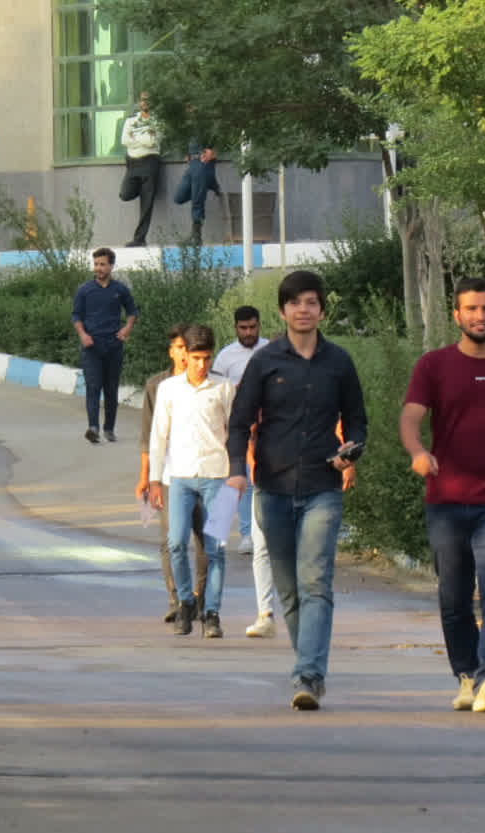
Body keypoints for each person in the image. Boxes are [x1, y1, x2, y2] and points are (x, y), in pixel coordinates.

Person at [228, 269, 368, 710]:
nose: (303, 310)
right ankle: (306, 661)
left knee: (316, 583)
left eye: (311, 302)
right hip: (272, 487)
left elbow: (358, 420)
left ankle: (308, 674)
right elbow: (239, 422)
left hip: (323, 485)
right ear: (283, 310)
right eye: (295, 302)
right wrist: (237, 469)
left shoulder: (339, 362)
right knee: (288, 589)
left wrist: (352, 451)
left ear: (322, 309)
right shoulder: (266, 361)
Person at [400, 277, 485, 714]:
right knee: (454, 597)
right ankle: (466, 674)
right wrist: (419, 451)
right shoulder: (433, 365)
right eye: (472, 309)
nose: (480, 317)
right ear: (456, 315)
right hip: (446, 502)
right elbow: (411, 417)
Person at [148, 325, 241, 639]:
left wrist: (239, 475)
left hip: (219, 479)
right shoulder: (169, 389)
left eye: (207, 358)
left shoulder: (224, 388)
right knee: (175, 542)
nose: (201, 365)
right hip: (179, 479)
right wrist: (154, 481)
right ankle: (186, 602)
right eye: (196, 357)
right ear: (183, 355)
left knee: (216, 548)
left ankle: (211, 612)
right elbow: (158, 436)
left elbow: (238, 434)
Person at [137, 325, 207, 624]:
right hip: (168, 475)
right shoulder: (157, 386)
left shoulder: (213, 385)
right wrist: (146, 477)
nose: (182, 355)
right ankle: (177, 599)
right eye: (177, 348)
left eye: (186, 349)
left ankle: (202, 601)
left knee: (206, 538)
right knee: (170, 539)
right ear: (172, 352)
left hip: (206, 474)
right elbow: (148, 436)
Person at [212, 305, 271, 577]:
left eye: (253, 327)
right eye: (243, 328)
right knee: (239, 478)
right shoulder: (225, 358)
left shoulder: (270, 351)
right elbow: (217, 393)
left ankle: (263, 531)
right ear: (235, 328)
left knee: (263, 478)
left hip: (268, 424)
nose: (249, 333)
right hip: (236, 426)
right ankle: (239, 533)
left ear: (259, 326)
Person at [72, 247, 138, 443]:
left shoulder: (120, 290)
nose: (98, 268)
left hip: (114, 346)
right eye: (96, 264)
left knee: (111, 388)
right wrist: (83, 334)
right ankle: (93, 427)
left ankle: (109, 428)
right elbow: (76, 315)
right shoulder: (84, 290)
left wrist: (127, 328)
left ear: (111, 266)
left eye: (102, 264)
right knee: (93, 387)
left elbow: (132, 311)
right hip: (91, 347)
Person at [120, 91, 162, 247]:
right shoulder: (131, 120)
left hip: (150, 162)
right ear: (139, 103)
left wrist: (134, 138)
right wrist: (141, 139)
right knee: (125, 194)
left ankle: (139, 239)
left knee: (147, 203)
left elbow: (151, 142)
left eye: (148, 100)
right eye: (143, 100)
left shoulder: (157, 121)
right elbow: (124, 140)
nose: (145, 103)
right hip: (133, 163)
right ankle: (142, 187)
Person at [172, 144, 222, 245]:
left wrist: (211, 152)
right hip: (193, 164)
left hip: (203, 163)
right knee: (178, 198)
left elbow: (218, 137)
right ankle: (209, 185)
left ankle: (196, 237)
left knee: (197, 203)